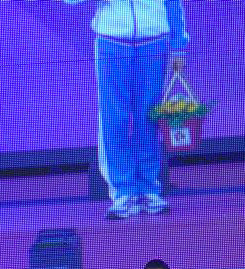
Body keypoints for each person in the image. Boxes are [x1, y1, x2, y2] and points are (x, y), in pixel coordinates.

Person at [66, 0, 190, 218]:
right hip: (112, 42)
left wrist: (179, 45)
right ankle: (123, 193)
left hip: (154, 42)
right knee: (115, 119)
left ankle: (149, 189)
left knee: (148, 119)